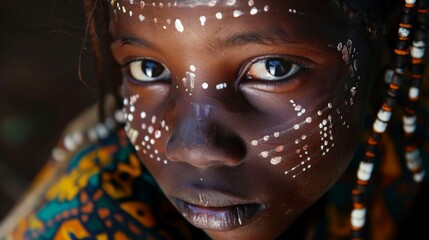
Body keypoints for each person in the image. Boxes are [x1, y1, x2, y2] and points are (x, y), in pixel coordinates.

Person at [0, 0, 428, 239]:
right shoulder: (85, 226)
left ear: (387, 44)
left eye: (273, 68)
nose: (196, 148)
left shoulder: (410, 110)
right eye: (149, 69)